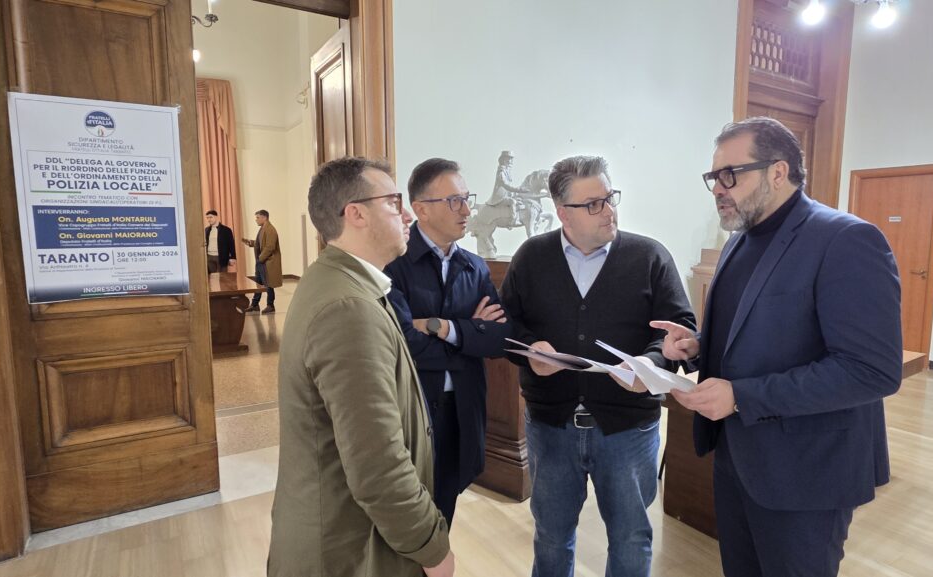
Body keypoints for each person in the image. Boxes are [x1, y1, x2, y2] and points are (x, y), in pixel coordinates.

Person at [654, 116, 902, 577]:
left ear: (778, 172)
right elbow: (764, 330)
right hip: (737, 456)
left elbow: (871, 370)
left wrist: (742, 396)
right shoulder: (738, 241)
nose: (717, 189)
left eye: (730, 175)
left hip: (807, 471)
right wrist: (697, 346)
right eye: (713, 177)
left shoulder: (845, 240)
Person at [500, 155, 696, 577]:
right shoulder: (531, 257)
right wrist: (531, 349)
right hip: (551, 427)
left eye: (609, 198)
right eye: (593, 204)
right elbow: (506, 325)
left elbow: (680, 328)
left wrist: (651, 363)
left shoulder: (650, 256)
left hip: (628, 429)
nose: (608, 211)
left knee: (630, 539)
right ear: (562, 213)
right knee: (551, 537)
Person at [267, 157, 454, 577]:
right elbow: (378, 466)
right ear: (356, 214)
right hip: (348, 547)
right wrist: (431, 546)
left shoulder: (339, 282)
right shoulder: (348, 307)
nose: (407, 214)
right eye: (393, 202)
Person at [384, 158, 512, 527]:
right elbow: (403, 344)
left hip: (463, 406)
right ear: (421, 209)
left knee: (446, 507)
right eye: (455, 201)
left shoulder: (475, 266)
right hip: (414, 408)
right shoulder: (393, 265)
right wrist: (469, 333)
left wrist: (440, 327)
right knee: (408, 514)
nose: (467, 210)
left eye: (467, 199)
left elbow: (499, 340)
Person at [241, 209, 282, 314]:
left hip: (266, 262)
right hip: (261, 262)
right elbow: (261, 243)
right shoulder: (263, 228)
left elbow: (270, 247)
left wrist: (260, 258)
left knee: (268, 284)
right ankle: (255, 305)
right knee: (258, 284)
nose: (256, 220)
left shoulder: (270, 229)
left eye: (258, 217)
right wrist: (251, 242)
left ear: (264, 217)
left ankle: (270, 305)